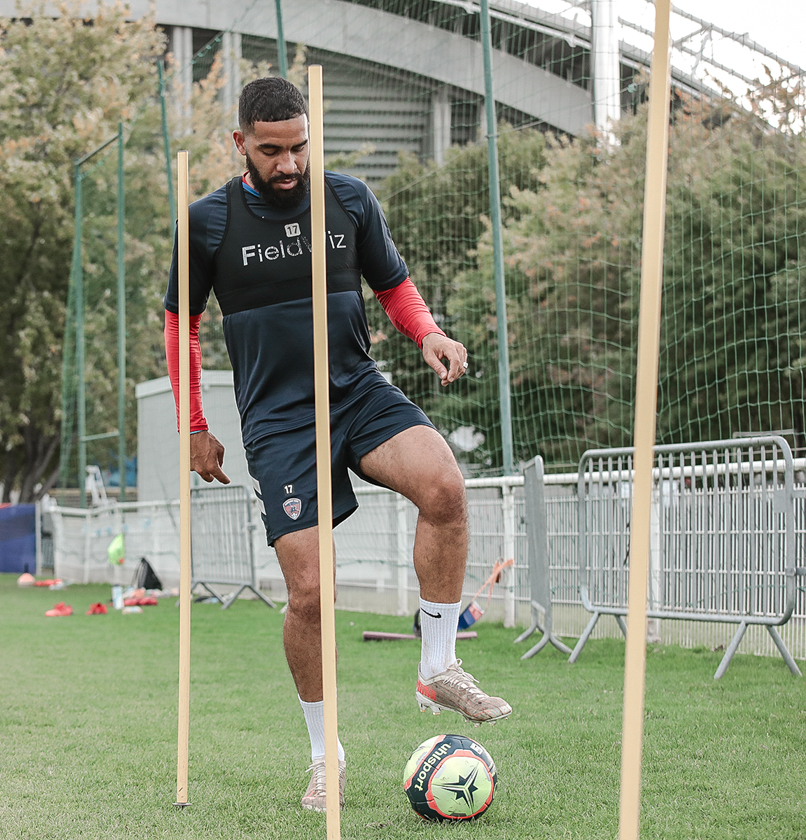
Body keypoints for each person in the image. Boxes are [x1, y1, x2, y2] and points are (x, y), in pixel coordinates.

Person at [163, 76, 512, 813]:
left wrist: (430, 333)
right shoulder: (207, 223)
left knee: (445, 487)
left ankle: (438, 665)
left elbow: (394, 285)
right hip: (280, 421)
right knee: (310, 593)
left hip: (356, 391)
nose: (288, 165)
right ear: (240, 145)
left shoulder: (348, 199)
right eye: (271, 152)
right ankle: (328, 758)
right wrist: (193, 424)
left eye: (299, 148)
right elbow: (180, 326)